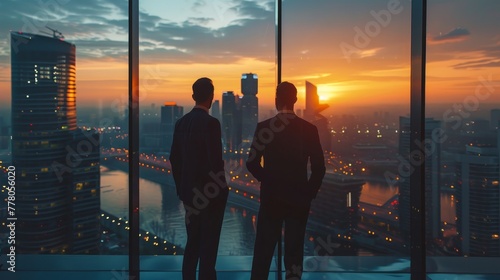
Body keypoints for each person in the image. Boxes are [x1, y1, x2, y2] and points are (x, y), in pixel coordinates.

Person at [247, 81, 326, 280]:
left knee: (263, 253)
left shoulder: (264, 127)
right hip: (299, 200)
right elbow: (319, 168)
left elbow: (252, 163)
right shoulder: (309, 129)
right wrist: (308, 194)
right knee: (294, 253)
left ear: (276, 101)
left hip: (271, 198)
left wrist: (269, 181)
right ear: (295, 100)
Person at [170, 77, 228, 280]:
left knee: (192, 243)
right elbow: (215, 163)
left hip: (188, 196)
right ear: (211, 97)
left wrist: (181, 189)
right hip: (210, 197)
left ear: (193, 96)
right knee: (208, 249)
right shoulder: (211, 123)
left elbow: (174, 159)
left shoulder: (181, 123)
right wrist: (222, 190)